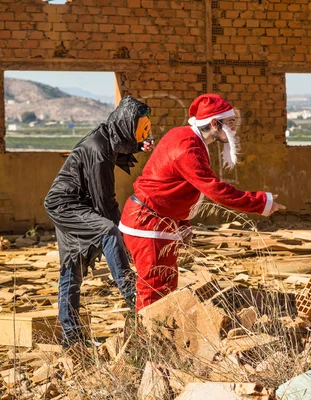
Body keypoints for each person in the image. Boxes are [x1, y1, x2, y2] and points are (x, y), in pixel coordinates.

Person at [119, 94, 286, 311]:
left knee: (165, 287)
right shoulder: (188, 147)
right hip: (148, 223)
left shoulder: (185, 137)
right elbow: (215, 190)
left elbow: (170, 188)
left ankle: (159, 339)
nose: (234, 128)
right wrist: (261, 202)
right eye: (231, 123)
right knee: (155, 292)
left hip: (157, 220)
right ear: (215, 123)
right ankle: (148, 341)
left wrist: (182, 222)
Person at [44, 96, 154, 348]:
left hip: (76, 204)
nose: (142, 133)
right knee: (108, 230)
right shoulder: (98, 150)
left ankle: (71, 338)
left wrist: (139, 146)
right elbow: (105, 201)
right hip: (66, 205)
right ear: (125, 124)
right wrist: (126, 235)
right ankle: (131, 294)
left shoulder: (109, 137)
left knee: (72, 267)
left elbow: (120, 148)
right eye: (139, 129)